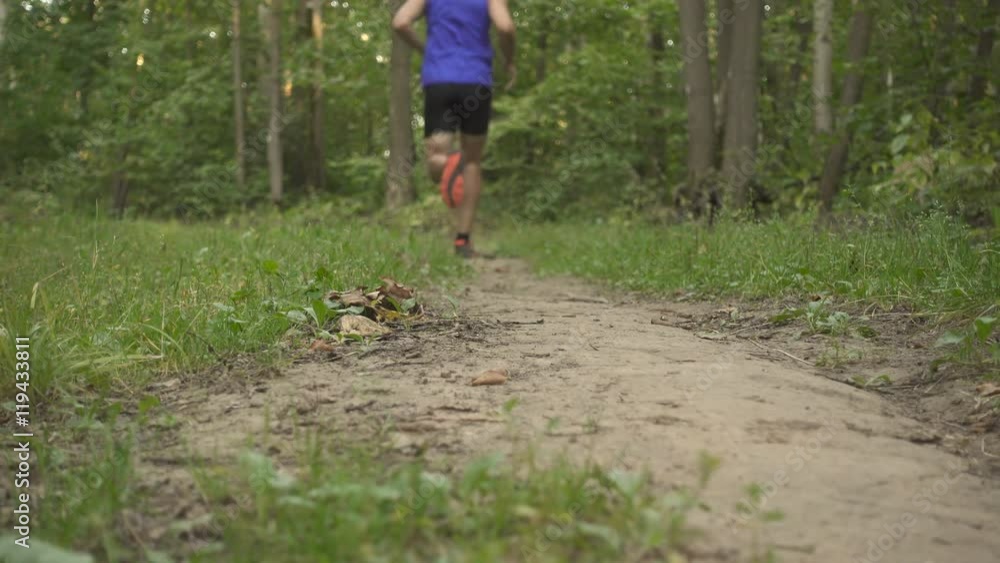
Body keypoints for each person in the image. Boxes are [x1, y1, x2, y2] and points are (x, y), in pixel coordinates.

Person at [392, 0, 516, 258]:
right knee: (472, 161)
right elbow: (505, 27)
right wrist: (509, 61)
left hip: (439, 79)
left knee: (436, 157)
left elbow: (400, 22)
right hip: (476, 81)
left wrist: (425, 49)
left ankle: (446, 162)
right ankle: (462, 240)